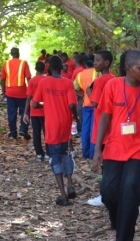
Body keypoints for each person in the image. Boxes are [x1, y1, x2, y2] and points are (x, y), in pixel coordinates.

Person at [92, 50, 140, 241]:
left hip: (139, 151)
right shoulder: (113, 85)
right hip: (114, 148)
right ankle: (117, 219)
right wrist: (97, 149)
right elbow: (105, 117)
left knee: (130, 194)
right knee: (108, 192)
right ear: (128, 69)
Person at [33, 56, 79, 206]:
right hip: (65, 124)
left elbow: (34, 104)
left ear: (48, 68)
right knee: (66, 153)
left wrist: (45, 106)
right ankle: (70, 183)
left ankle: (63, 195)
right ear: (61, 68)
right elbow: (72, 105)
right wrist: (75, 117)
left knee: (55, 157)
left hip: (51, 125)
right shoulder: (67, 83)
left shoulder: (43, 82)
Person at [85, 51, 115, 207]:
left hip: (101, 126)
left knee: (104, 164)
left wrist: (88, 91)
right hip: (112, 127)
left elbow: (95, 102)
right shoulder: (114, 79)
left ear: (106, 63)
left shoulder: (101, 80)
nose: (94, 63)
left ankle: (106, 195)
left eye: (98, 60)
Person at [0, 47, 32, 140]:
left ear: (11, 54)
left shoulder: (6, 64)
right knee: (25, 111)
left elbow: (2, 80)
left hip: (10, 93)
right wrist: (31, 91)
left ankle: (13, 133)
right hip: (22, 93)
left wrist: (4, 92)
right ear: (18, 53)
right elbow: (28, 78)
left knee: (11, 113)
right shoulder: (23, 63)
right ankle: (23, 129)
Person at [24, 62, 50, 161]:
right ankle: (48, 153)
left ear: (35, 69)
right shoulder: (46, 80)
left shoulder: (31, 81)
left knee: (36, 133)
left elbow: (28, 97)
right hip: (45, 110)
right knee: (47, 132)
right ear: (44, 69)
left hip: (34, 111)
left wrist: (26, 113)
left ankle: (39, 154)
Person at [74, 55, 98, 159]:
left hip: (85, 104)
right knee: (94, 129)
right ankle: (93, 154)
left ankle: (85, 153)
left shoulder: (80, 75)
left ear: (84, 63)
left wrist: (82, 95)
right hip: (96, 104)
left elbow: (74, 88)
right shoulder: (97, 72)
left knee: (85, 129)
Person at [72, 54, 86, 135]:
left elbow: (74, 86)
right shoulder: (81, 69)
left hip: (80, 95)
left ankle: (81, 131)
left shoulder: (78, 71)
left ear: (75, 61)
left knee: (80, 113)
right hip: (81, 94)